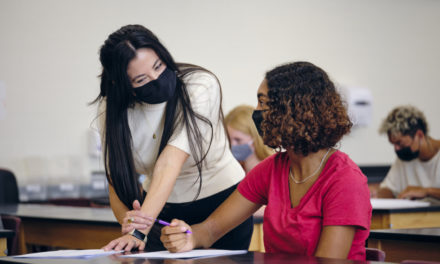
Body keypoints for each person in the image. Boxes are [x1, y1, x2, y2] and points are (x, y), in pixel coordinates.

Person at [160, 62, 372, 260]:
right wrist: (188, 236)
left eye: (262, 102)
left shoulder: (345, 180)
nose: (257, 112)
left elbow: (329, 262)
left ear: (293, 110)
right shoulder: (272, 169)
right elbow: (210, 230)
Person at [95, 24, 253, 252]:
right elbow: (116, 178)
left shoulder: (199, 85)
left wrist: (140, 229)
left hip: (221, 203)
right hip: (160, 212)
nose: (156, 78)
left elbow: (170, 161)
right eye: (141, 79)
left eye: (158, 66)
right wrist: (130, 224)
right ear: (122, 86)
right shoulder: (111, 109)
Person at [377, 105, 440, 201]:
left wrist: (427, 191)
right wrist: (377, 193)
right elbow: (389, 188)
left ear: (419, 135)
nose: (396, 149)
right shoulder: (404, 159)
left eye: (399, 143)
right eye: (393, 144)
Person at [224, 105, 273, 173]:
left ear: (257, 138)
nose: (232, 145)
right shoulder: (235, 171)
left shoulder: (272, 171)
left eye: (238, 140)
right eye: (228, 140)